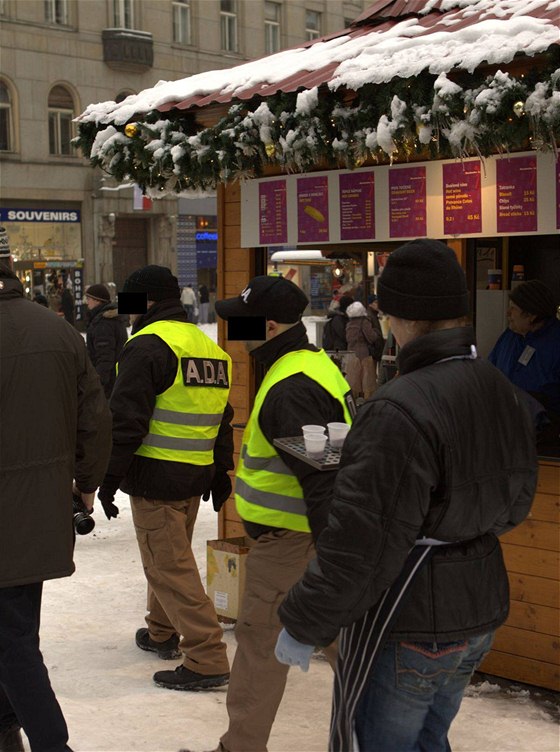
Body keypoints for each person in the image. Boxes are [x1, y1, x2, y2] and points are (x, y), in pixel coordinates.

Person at [275, 240, 538, 752]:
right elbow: (516, 502)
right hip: (479, 609)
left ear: (401, 316)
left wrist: (304, 622)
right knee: (428, 740)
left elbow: (358, 545)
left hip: (411, 623)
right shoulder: (497, 386)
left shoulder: (396, 410)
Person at [200, 275, 355, 752]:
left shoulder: (291, 386)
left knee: (260, 647)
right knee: (342, 643)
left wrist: (333, 556)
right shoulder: (306, 365)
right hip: (306, 539)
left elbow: (323, 478)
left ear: (267, 325)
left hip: (293, 543)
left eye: (237, 322)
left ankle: (240, 747)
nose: (229, 330)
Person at [96, 265, 234, 691]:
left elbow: (126, 421)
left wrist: (109, 477)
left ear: (149, 302)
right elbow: (222, 416)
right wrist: (220, 471)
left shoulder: (146, 346)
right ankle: (161, 630)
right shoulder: (207, 347)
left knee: (167, 565)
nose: (128, 313)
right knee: (168, 559)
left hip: (156, 474)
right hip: (194, 474)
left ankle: (207, 656)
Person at [0, 248, 112, 752]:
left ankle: (51, 743)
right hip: (40, 513)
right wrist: (84, 486)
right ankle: (6, 726)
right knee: (15, 630)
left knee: (13, 641)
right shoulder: (60, 331)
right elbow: (96, 420)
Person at [489, 280, 560, 450]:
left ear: (531, 315)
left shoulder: (556, 343)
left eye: (513, 308)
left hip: (544, 436)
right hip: (504, 430)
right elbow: (489, 371)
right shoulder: (509, 336)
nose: (508, 313)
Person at [84, 283, 128, 400]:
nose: (86, 302)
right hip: (116, 379)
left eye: (88, 299)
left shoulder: (103, 323)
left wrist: (97, 385)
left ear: (97, 301)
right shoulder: (108, 319)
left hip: (108, 384)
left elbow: (105, 357)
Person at [344, 300, 379, 401]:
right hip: (364, 355)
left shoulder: (349, 324)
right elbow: (371, 337)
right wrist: (376, 333)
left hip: (351, 355)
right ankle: (367, 400)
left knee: (353, 380)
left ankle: (354, 399)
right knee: (367, 381)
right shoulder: (364, 322)